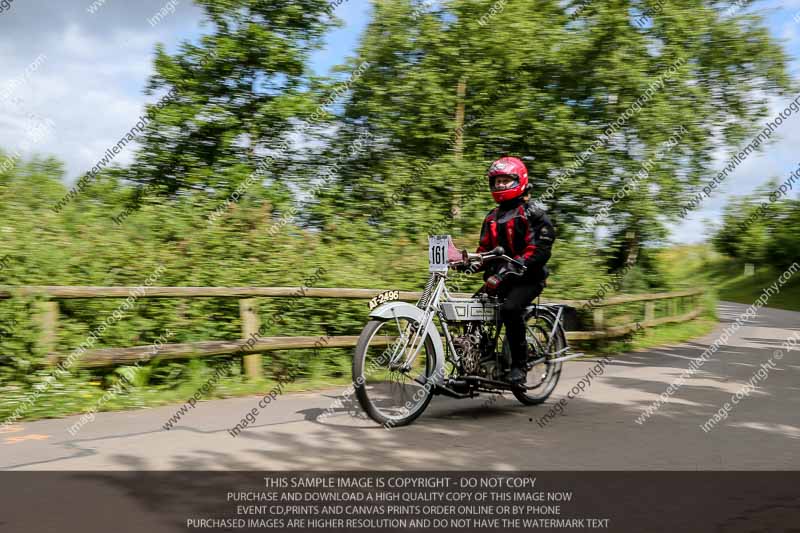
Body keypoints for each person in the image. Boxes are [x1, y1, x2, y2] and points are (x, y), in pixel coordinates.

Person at [473, 156, 556, 384]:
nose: (500, 185)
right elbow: (484, 250)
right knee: (471, 309)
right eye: (496, 181)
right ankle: (483, 357)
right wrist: (468, 261)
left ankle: (519, 366)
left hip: (528, 278)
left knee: (510, 309)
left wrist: (512, 267)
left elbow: (539, 248)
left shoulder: (533, 212)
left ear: (520, 181)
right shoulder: (491, 217)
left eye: (505, 180)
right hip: (500, 279)